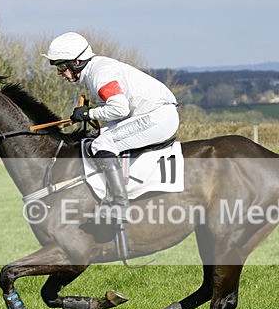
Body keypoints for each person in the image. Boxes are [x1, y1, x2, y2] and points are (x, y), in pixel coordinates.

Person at [44, 32, 179, 222]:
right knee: (98, 136)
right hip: (149, 114)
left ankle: (120, 205)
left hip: (157, 117)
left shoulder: (100, 75)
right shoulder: (95, 69)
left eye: (61, 66)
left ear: (77, 62)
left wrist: (88, 113)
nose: (60, 73)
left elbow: (120, 108)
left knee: (102, 145)